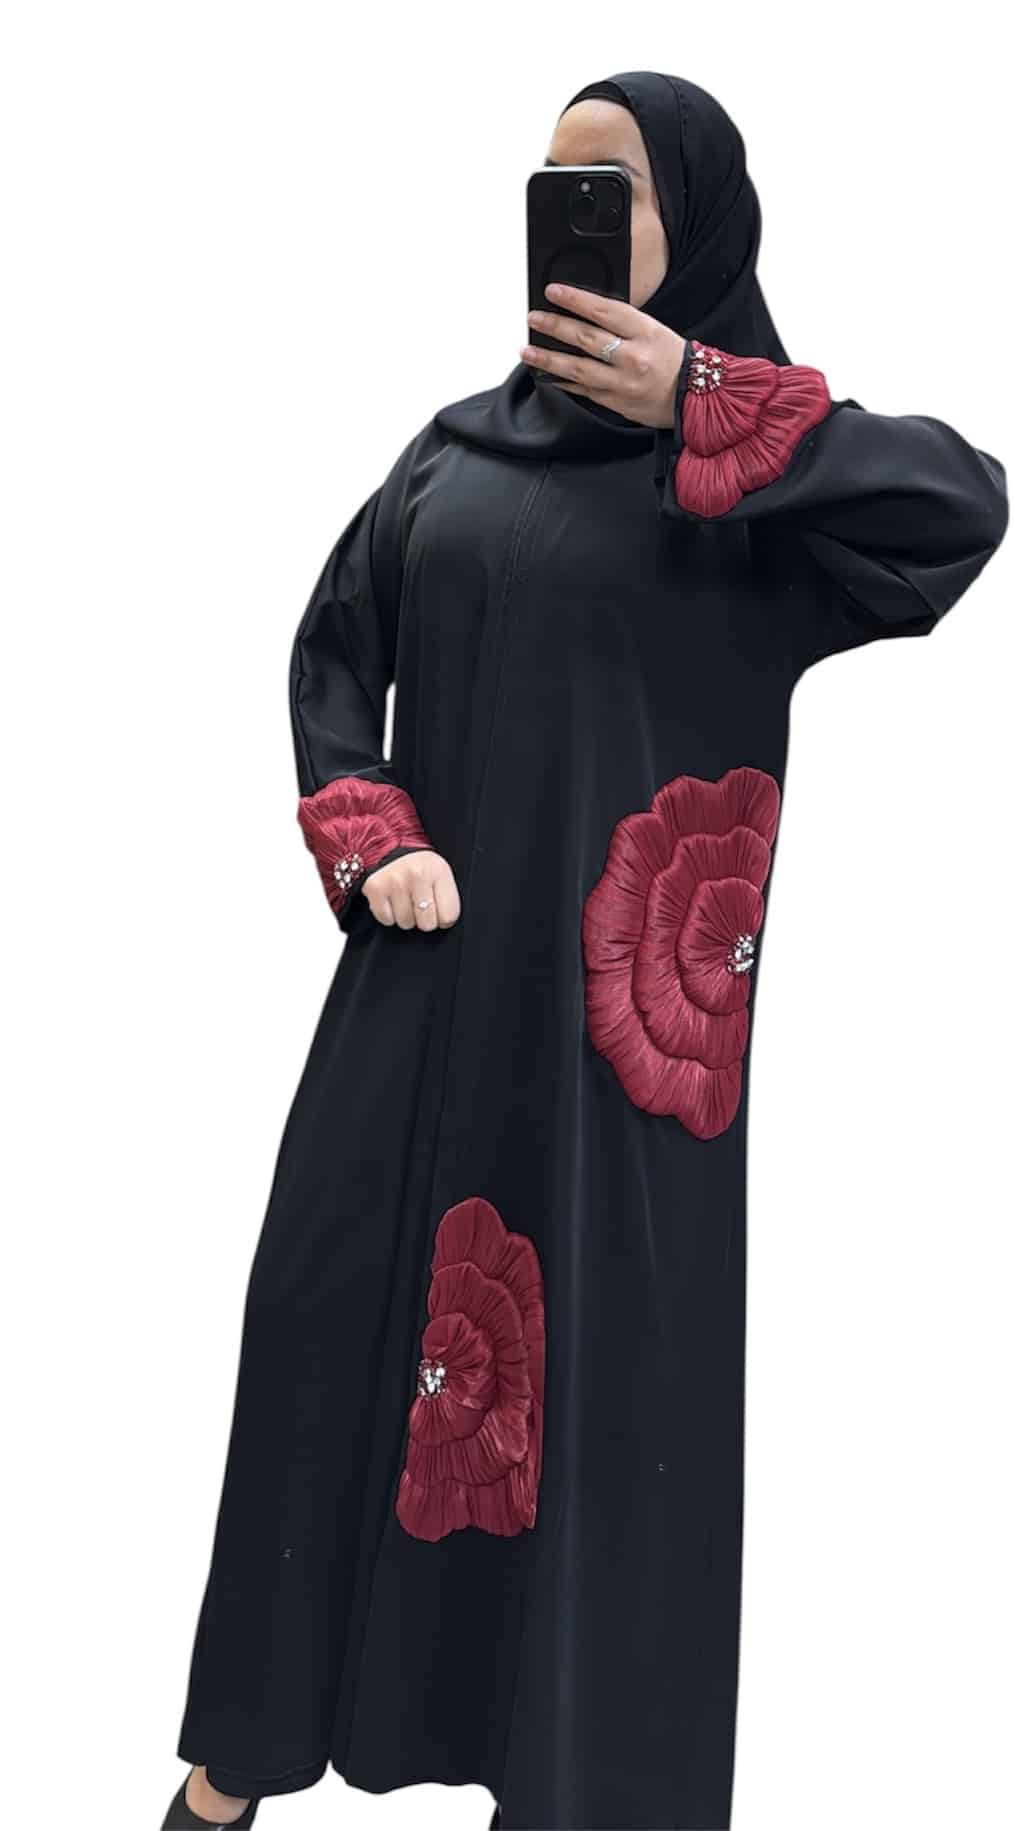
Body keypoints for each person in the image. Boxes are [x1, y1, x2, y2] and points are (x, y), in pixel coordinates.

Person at [161, 68, 1007, 1831]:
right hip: (415, 1002)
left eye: (615, 183)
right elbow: (335, 649)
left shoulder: (761, 498)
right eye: (552, 181)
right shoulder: (453, 447)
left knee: (608, 1407)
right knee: (322, 1327)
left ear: (697, 226)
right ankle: (239, 1758)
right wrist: (373, 833)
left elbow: (965, 506)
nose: (575, 211)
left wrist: (704, 396)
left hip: (615, 1062)